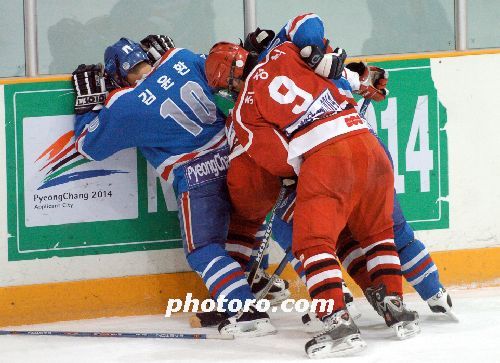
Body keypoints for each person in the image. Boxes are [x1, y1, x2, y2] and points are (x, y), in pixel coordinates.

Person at [226, 13, 455, 320]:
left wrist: (293, 172)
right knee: (384, 230)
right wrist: (359, 76)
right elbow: (357, 75)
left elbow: (272, 155)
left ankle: (336, 306)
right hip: (367, 148)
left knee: (311, 238)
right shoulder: (302, 54)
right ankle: (428, 292)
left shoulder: (251, 96)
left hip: (324, 161)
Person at [205, 39, 419, 358]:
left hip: (329, 157)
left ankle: (336, 323)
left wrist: (298, 174)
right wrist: (352, 73)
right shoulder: (285, 51)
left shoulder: (243, 111)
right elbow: (312, 29)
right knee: (378, 235)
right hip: (368, 144)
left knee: (313, 244)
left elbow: (280, 159)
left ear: (232, 81)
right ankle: (396, 308)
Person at [71, 35, 275, 337]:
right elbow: (224, 83)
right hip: (238, 159)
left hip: (197, 177)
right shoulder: (181, 57)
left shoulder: (124, 105)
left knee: (204, 249)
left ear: (117, 77)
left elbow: (90, 146)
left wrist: (86, 107)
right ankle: (259, 283)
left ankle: (245, 310)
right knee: (248, 224)